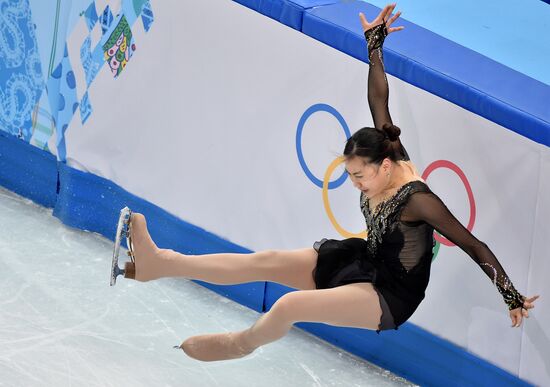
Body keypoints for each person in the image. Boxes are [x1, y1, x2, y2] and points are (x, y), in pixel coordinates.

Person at [112, 3, 539, 362]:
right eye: (349, 174)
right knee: (266, 260)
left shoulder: (419, 201)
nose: (354, 184)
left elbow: (472, 244)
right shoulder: (386, 147)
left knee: (290, 304)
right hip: (364, 261)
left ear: (384, 168)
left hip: (391, 295)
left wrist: (511, 297)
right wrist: (375, 47)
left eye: (359, 176)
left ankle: (240, 344)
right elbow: (379, 99)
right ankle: (160, 263)